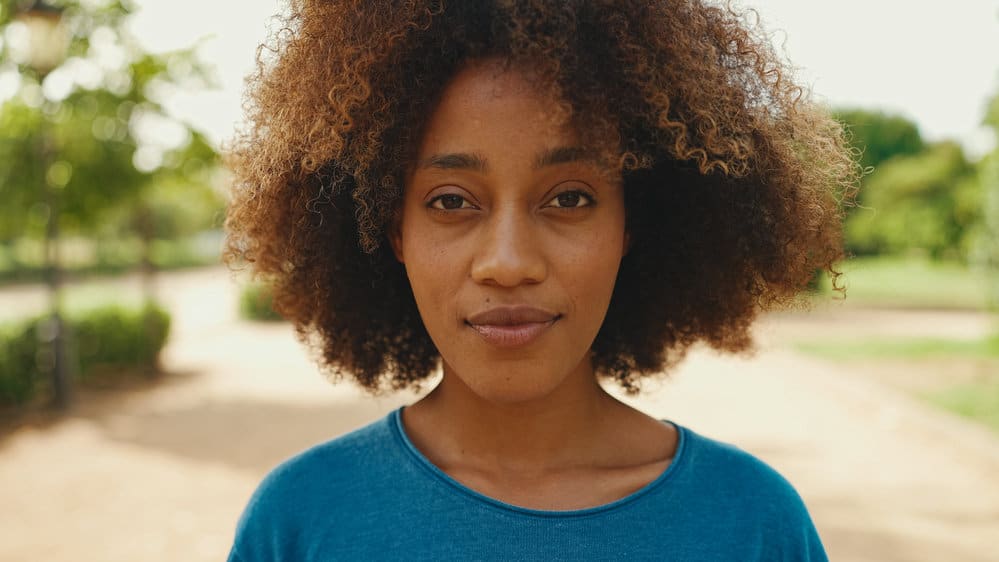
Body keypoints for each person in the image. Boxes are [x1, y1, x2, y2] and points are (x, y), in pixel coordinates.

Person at [223, 1, 856, 560]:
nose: (508, 261)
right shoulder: (300, 522)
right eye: (450, 201)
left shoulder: (750, 524)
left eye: (571, 198)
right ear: (394, 233)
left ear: (631, 224)